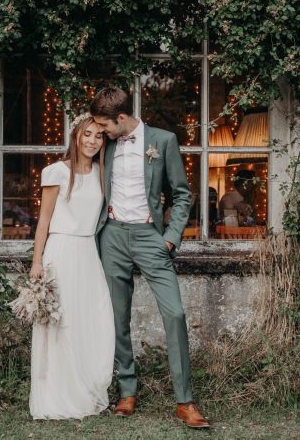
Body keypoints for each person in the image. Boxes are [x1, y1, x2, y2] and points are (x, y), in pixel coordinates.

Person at [90, 87, 210, 429]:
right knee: (117, 318)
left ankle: (185, 401)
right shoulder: (105, 145)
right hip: (112, 235)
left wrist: (171, 239)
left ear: (123, 118)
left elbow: (182, 195)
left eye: (105, 125)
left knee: (175, 313)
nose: (102, 132)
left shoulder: (164, 141)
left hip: (150, 237)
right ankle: (127, 389)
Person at [28, 114, 114, 420]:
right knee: (61, 324)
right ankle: (59, 395)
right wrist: (37, 262)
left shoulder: (103, 173)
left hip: (88, 253)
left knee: (92, 319)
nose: (92, 141)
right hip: (61, 251)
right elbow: (43, 222)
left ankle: (86, 385)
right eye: (86, 134)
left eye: (99, 136)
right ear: (76, 136)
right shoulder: (56, 172)